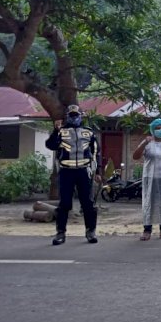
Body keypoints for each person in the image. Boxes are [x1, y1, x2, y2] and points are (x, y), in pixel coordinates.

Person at [45, 104, 101, 246]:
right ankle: (60, 233)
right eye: (71, 115)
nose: (74, 117)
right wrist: (55, 130)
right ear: (67, 117)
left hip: (83, 171)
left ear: (81, 116)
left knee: (88, 203)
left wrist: (98, 171)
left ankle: (90, 231)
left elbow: (96, 152)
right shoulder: (61, 131)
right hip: (66, 172)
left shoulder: (88, 132)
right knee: (64, 203)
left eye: (76, 115)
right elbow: (50, 145)